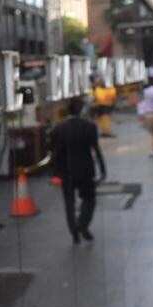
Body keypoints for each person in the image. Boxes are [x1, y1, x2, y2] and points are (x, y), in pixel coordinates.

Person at [49, 96, 106, 245]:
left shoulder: (58, 129)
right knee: (89, 199)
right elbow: (96, 149)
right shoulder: (89, 127)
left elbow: (55, 153)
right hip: (86, 169)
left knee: (69, 203)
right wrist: (103, 169)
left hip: (66, 171)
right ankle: (83, 225)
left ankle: (74, 232)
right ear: (81, 110)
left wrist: (55, 172)